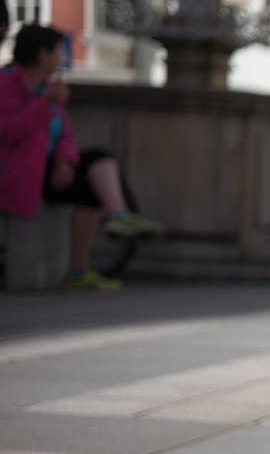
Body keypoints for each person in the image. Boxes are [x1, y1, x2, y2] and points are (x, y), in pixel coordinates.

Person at [0, 25, 164, 291]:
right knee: (95, 169)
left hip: (49, 171)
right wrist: (43, 102)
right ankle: (115, 220)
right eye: (57, 52)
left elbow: (66, 134)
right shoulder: (7, 84)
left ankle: (91, 254)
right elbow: (9, 131)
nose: (61, 59)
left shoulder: (48, 87)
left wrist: (66, 160)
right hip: (17, 176)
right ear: (43, 55)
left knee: (94, 175)